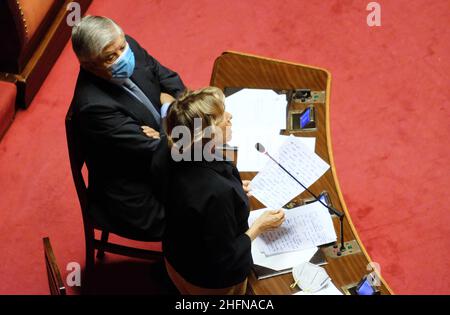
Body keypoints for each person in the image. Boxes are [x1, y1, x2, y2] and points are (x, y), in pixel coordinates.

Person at [160, 87, 285, 294]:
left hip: (177, 256)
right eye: (221, 117)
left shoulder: (174, 149)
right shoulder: (216, 192)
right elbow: (225, 257)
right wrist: (260, 226)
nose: (229, 116)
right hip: (207, 282)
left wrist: (235, 189)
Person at [70, 16, 185, 240]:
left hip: (161, 156)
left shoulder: (121, 43)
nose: (121, 57)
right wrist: (172, 128)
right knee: (205, 213)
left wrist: (175, 107)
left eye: (122, 48)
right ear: (88, 66)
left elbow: (167, 78)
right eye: (110, 57)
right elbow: (156, 149)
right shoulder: (94, 107)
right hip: (137, 192)